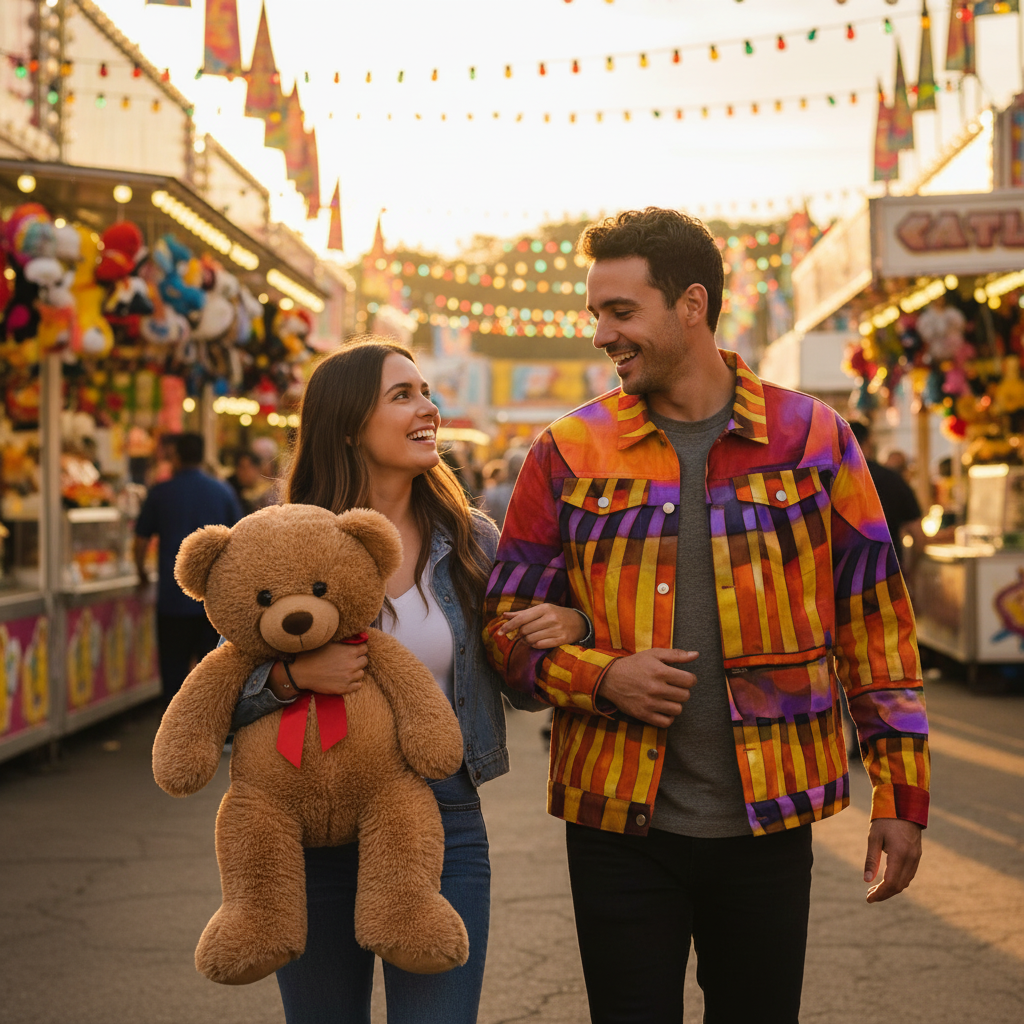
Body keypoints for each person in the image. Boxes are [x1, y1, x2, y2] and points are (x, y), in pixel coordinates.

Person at [483, 208, 930, 1024]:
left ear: (692, 304)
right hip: (616, 821)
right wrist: (602, 674)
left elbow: (876, 626)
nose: (600, 335)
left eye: (620, 312)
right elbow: (505, 628)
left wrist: (901, 797)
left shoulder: (813, 438)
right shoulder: (566, 450)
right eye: (595, 314)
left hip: (770, 823)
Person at [227, 338, 587, 1024]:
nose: (429, 407)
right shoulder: (284, 540)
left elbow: (524, 687)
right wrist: (291, 676)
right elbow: (220, 700)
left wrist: (568, 626)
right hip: (312, 831)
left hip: (443, 824)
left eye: (426, 391)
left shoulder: (473, 538)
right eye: (404, 396)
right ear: (346, 426)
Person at [134, 432, 243, 704]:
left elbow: (139, 541)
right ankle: (211, 731)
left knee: (173, 673)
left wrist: (142, 575)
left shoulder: (161, 492)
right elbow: (241, 539)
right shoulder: (222, 491)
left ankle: (173, 733)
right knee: (213, 672)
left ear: (176, 456)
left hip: (172, 599)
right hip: (213, 600)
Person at [849, 421, 924, 575]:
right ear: (868, 442)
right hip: (887, 576)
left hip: (843, 580)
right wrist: (909, 574)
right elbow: (919, 537)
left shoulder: (828, 481)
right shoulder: (892, 479)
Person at [226, 449, 274, 514]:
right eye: (239, 468)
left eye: (245, 467)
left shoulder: (267, 493)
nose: (242, 472)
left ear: (258, 468)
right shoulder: (231, 489)